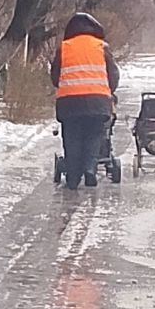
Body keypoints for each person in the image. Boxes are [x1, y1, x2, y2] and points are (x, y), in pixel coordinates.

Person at [50, 13, 119, 189]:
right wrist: (108, 91)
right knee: (94, 135)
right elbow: (113, 75)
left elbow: (55, 76)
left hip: (69, 103)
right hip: (97, 102)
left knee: (72, 138)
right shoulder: (102, 47)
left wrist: (67, 85)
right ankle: (90, 168)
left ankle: (73, 178)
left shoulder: (64, 48)